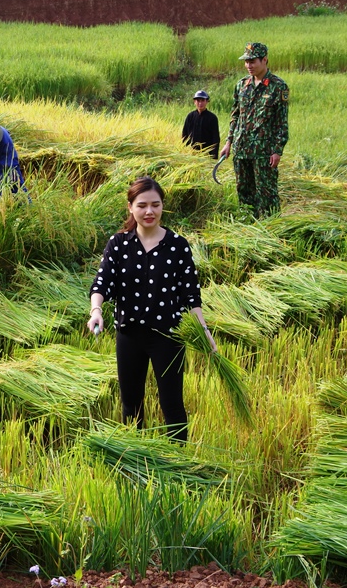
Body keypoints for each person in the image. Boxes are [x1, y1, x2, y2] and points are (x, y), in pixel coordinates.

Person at [86, 177, 215, 443]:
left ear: (162, 207)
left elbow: (191, 295)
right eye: (142, 205)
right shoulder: (119, 244)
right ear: (130, 207)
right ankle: (135, 457)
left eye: (155, 205)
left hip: (168, 336)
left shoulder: (178, 245)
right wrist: (96, 310)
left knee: (172, 405)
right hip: (129, 334)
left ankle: (177, 461)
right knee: (131, 405)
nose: (149, 212)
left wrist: (204, 331)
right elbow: (102, 282)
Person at [219, 42, 290, 218]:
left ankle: (271, 230)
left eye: (253, 61)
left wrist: (277, 150)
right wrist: (228, 142)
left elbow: (281, 122)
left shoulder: (278, 86)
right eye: (246, 62)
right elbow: (235, 116)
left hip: (264, 152)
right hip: (241, 149)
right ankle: (248, 228)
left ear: (264, 60)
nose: (248, 66)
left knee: (267, 195)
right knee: (244, 192)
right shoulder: (241, 85)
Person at [181, 90, 220, 159]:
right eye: (198, 101)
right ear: (194, 102)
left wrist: (214, 156)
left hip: (206, 154)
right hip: (191, 153)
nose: (200, 103)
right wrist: (185, 151)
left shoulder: (212, 118)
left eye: (202, 100)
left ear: (207, 101)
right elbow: (185, 134)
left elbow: (215, 138)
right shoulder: (190, 116)